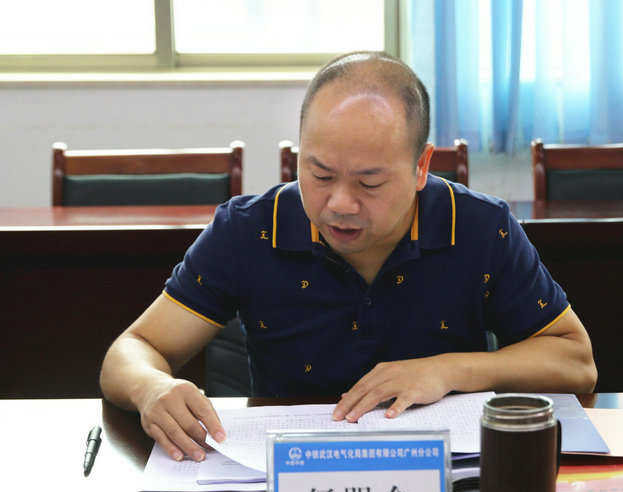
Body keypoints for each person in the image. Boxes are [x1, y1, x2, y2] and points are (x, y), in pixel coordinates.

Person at [100, 51, 596, 463]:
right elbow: (132, 349)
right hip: (284, 479)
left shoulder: (479, 227)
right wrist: (151, 388)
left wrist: (448, 370)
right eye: (319, 175)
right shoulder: (248, 229)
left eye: (369, 183)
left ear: (421, 166)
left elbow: (575, 361)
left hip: (441, 479)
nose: (340, 204)